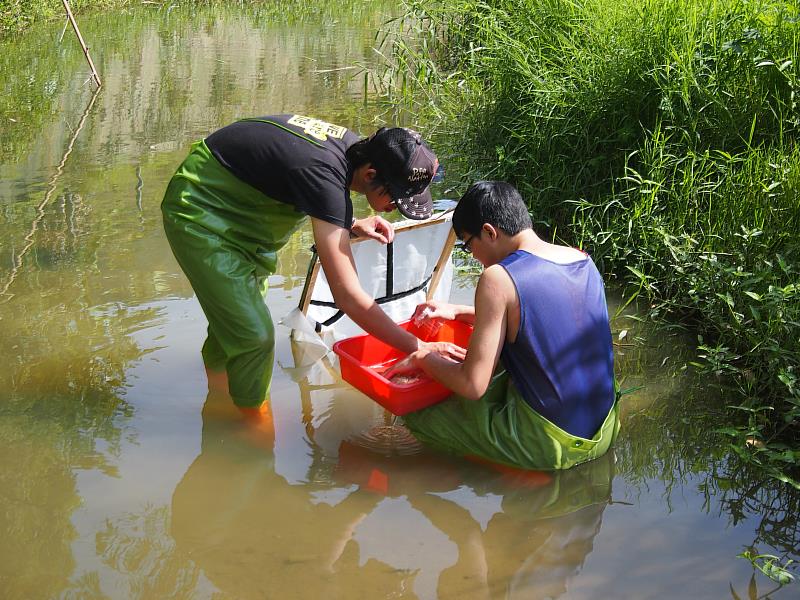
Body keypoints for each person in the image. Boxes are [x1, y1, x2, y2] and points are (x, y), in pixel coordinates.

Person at [161, 114, 464, 410]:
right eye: (396, 199)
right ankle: (247, 425)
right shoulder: (325, 175)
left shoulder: (353, 151)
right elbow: (348, 297)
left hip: (244, 216)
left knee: (233, 326)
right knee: (254, 337)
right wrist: (419, 347)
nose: (393, 209)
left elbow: (303, 180)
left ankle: (217, 398)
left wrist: (349, 222)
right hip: (201, 211)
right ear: (370, 175)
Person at [388, 181, 619, 470]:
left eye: (469, 244)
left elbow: (472, 385)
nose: (472, 255)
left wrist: (423, 357)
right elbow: (534, 317)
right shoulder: (581, 259)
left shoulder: (497, 278)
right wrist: (456, 312)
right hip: (604, 429)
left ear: (489, 232)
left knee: (418, 416)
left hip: (549, 447)